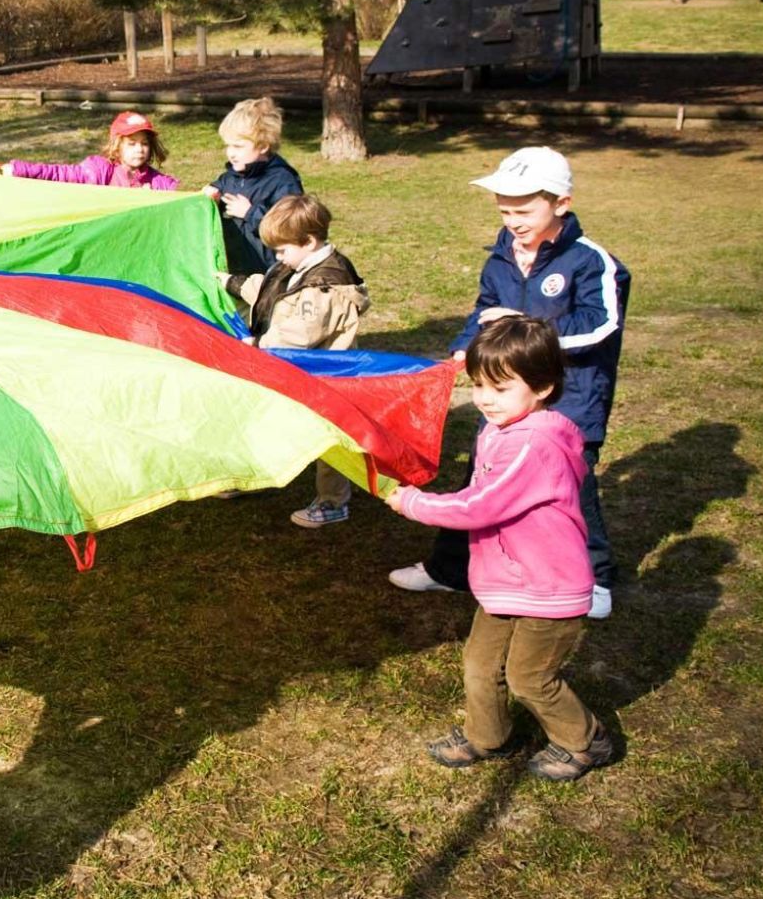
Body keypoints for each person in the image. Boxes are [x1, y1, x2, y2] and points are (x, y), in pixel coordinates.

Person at [387, 147, 629, 619]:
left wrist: (527, 324)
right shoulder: (500, 256)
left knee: (574, 488)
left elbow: (601, 326)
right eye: (504, 210)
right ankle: (450, 570)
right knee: (480, 475)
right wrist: (465, 345)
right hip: (507, 396)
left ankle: (596, 578)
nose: (512, 220)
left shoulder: (591, 261)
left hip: (570, 398)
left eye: (524, 210)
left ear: (561, 203)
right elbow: (484, 309)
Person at [385, 317, 616, 782]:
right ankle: (486, 735)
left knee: (530, 678)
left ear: (544, 386)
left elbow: (479, 505)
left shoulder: (534, 443)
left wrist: (411, 501)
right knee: (480, 664)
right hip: (506, 580)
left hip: (548, 586)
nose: (486, 398)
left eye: (501, 387)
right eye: (477, 385)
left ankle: (585, 740)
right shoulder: (501, 428)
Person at [221, 195, 370, 528]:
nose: (277, 257)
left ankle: (333, 502)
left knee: (329, 438)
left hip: (323, 374)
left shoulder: (326, 285)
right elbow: (271, 292)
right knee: (265, 418)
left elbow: (300, 332)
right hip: (289, 368)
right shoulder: (295, 265)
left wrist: (257, 343)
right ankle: (253, 473)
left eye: (282, 250)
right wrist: (232, 283)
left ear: (309, 241)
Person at [199, 97, 303, 275]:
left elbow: (291, 228)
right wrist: (210, 195)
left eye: (238, 146)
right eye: (228, 146)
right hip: (234, 270)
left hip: (268, 272)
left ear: (262, 146)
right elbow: (216, 190)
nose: (231, 153)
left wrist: (250, 213)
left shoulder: (283, 181)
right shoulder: (231, 177)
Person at [1, 110, 179, 189]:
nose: (139, 149)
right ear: (117, 146)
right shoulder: (99, 170)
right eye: (132, 144)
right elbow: (59, 173)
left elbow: (185, 201)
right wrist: (19, 169)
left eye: (144, 144)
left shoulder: (158, 182)